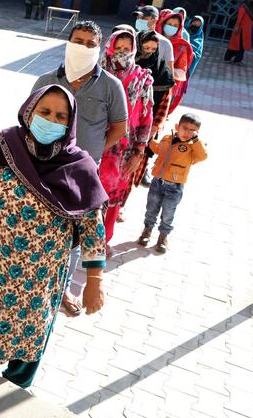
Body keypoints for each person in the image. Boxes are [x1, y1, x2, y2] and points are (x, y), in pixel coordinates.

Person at [0, 85, 107, 388]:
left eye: (61, 116)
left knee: (30, 340)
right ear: (29, 111)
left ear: (71, 123)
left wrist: (94, 282)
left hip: (41, 281)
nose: (51, 120)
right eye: (45, 112)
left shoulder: (79, 166)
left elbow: (93, 228)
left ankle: (14, 389)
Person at [32, 20, 127, 316]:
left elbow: (119, 128)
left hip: (82, 172)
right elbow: (29, 118)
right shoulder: (47, 79)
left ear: (98, 48)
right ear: (68, 41)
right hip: (43, 168)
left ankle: (60, 289)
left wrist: (91, 152)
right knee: (40, 227)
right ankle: (33, 281)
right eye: (78, 40)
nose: (82, 47)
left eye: (89, 43)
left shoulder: (111, 86)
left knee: (75, 232)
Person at [97, 30, 153, 255]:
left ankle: (103, 240)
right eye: (117, 49)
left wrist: (139, 151)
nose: (122, 54)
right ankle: (78, 239)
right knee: (87, 191)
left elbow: (146, 117)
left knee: (112, 198)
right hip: (94, 144)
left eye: (127, 50)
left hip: (124, 150)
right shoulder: (96, 74)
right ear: (109, 48)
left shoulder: (142, 78)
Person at [137, 113, 207, 253]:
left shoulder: (194, 146)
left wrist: (197, 140)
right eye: (184, 128)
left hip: (175, 187)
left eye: (192, 130)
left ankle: (163, 236)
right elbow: (158, 149)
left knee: (168, 213)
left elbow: (203, 156)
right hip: (157, 182)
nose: (187, 132)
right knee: (151, 208)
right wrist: (150, 138)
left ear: (197, 133)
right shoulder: (168, 138)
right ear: (177, 127)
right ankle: (147, 230)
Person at [134, 30, 175, 188]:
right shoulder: (129, 68)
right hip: (125, 125)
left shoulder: (163, 72)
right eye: (146, 48)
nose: (149, 53)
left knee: (138, 161)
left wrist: (153, 129)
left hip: (148, 127)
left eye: (153, 49)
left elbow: (164, 104)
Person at [157, 10, 193, 115]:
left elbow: (182, 73)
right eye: (169, 24)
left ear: (179, 28)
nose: (172, 27)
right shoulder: (152, 39)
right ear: (163, 23)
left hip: (165, 88)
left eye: (175, 25)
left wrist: (166, 69)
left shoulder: (182, 46)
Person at [134, 6, 174, 74]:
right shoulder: (132, 36)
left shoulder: (164, 43)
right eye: (138, 17)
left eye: (143, 18)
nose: (139, 20)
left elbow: (169, 72)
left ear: (155, 20)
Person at [224, 0, 253, 64]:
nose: (251, 0)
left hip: (246, 30)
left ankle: (234, 59)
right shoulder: (243, 7)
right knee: (238, 45)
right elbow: (239, 18)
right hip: (241, 30)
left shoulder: (249, 8)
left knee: (240, 45)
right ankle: (234, 59)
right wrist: (237, 27)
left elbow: (252, 18)